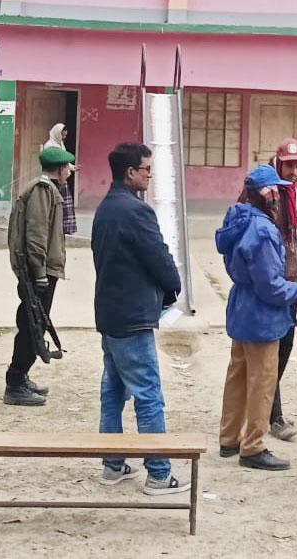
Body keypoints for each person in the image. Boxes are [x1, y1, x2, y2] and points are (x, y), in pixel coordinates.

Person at [91, 142, 189, 496]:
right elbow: (159, 256)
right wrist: (173, 286)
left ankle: (112, 463)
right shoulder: (136, 211)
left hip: (110, 313)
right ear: (130, 172)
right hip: (132, 317)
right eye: (146, 169)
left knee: (113, 391)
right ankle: (159, 472)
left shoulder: (104, 208)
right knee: (149, 395)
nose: (150, 175)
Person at [216, 165, 297, 472]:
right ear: (268, 196)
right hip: (262, 314)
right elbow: (270, 285)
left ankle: (229, 438)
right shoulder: (264, 230)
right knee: (262, 381)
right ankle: (253, 446)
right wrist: (296, 293)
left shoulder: (237, 219)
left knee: (237, 376)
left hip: (240, 307)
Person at [4, 145, 76, 406]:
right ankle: (15, 382)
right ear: (59, 169)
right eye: (67, 166)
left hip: (43, 270)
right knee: (31, 326)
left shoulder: (48, 189)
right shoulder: (43, 191)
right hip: (39, 272)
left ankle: (20, 376)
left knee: (34, 324)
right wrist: (40, 273)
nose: (70, 170)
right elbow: (37, 235)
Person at [266, 139, 297, 440]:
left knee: (284, 349)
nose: (294, 170)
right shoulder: (262, 195)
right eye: (289, 164)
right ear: (278, 162)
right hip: (267, 282)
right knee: (264, 352)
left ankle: (267, 407)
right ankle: (274, 416)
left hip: (290, 282)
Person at [43, 124, 79, 236]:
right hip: (54, 179)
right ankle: (55, 227)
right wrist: (59, 175)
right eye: (62, 135)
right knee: (56, 204)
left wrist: (72, 167)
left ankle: (65, 228)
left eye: (64, 136)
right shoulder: (49, 146)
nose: (63, 138)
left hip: (62, 178)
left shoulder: (60, 145)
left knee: (64, 204)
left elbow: (64, 161)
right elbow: (53, 163)